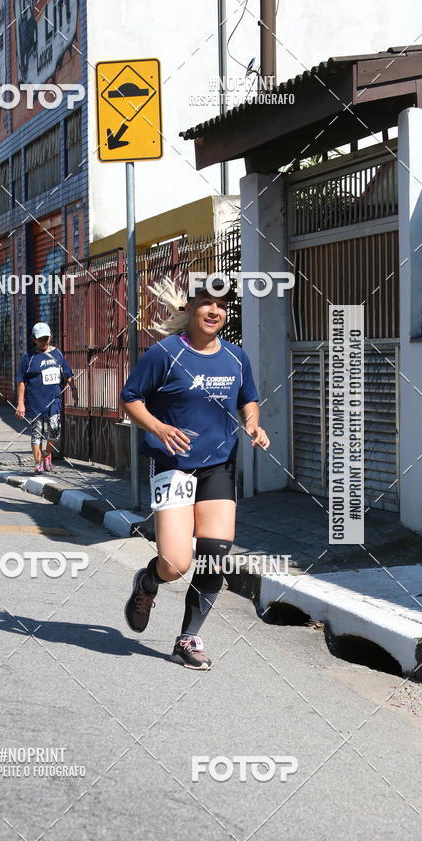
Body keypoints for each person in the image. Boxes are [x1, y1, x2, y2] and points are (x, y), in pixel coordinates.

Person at [120, 276, 270, 670]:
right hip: (173, 465)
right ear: (189, 308)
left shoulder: (236, 357)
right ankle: (148, 582)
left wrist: (253, 424)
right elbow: (130, 398)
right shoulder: (164, 354)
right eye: (206, 302)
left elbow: (248, 398)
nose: (214, 311)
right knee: (176, 563)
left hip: (218, 465)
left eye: (221, 305)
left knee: (215, 555)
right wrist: (159, 427)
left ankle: (187, 638)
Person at [15, 322, 78, 473]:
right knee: (37, 433)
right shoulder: (29, 358)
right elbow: (20, 380)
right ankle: (37, 464)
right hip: (36, 402)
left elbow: (67, 374)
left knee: (55, 431)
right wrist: (20, 403)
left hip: (54, 401)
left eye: (46, 338)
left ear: (50, 336)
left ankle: (47, 455)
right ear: (34, 339)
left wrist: (73, 388)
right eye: (40, 338)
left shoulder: (58, 354)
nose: (44, 341)